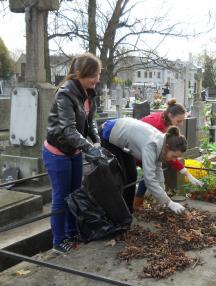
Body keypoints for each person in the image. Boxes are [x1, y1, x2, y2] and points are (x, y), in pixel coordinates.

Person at [43, 53, 104, 253]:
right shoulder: (65, 93)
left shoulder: (89, 92)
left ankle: (71, 232)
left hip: (75, 151)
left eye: (98, 74)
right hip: (57, 151)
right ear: (79, 73)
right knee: (61, 197)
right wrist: (88, 148)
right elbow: (68, 129)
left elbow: (90, 120)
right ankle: (58, 241)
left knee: (75, 194)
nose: (97, 79)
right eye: (93, 75)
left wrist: (96, 140)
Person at [100, 117, 187, 214]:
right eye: (174, 156)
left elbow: (158, 170)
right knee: (118, 177)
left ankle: (128, 212)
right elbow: (149, 179)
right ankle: (114, 213)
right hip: (109, 134)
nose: (174, 160)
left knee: (132, 175)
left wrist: (164, 199)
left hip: (123, 139)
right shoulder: (151, 145)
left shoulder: (161, 144)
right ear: (167, 147)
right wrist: (169, 202)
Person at [134, 98, 203, 210]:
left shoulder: (165, 122)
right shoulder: (159, 128)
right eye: (179, 121)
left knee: (154, 176)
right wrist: (186, 174)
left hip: (143, 150)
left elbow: (173, 155)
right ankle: (136, 204)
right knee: (148, 175)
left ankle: (155, 203)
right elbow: (172, 155)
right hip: (135, 149)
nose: (180, 125)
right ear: (170, 115)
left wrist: (187, 174)